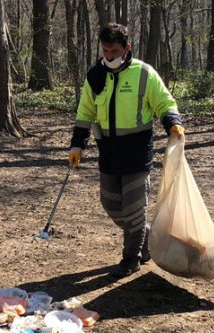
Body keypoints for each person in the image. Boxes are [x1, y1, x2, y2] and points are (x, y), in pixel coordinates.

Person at [68, 23, 184, 278]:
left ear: (126, 48)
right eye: (105, 50)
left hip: (136, 150)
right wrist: (77, 143)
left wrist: (172, 123)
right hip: (108, 151)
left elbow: (164, 101)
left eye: (114, 50)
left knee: (134, 207)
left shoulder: (144, 73)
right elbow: (85, 111)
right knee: (110, 203)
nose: (109, 55)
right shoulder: (95, 75)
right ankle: (146, 240)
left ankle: (131, 258)